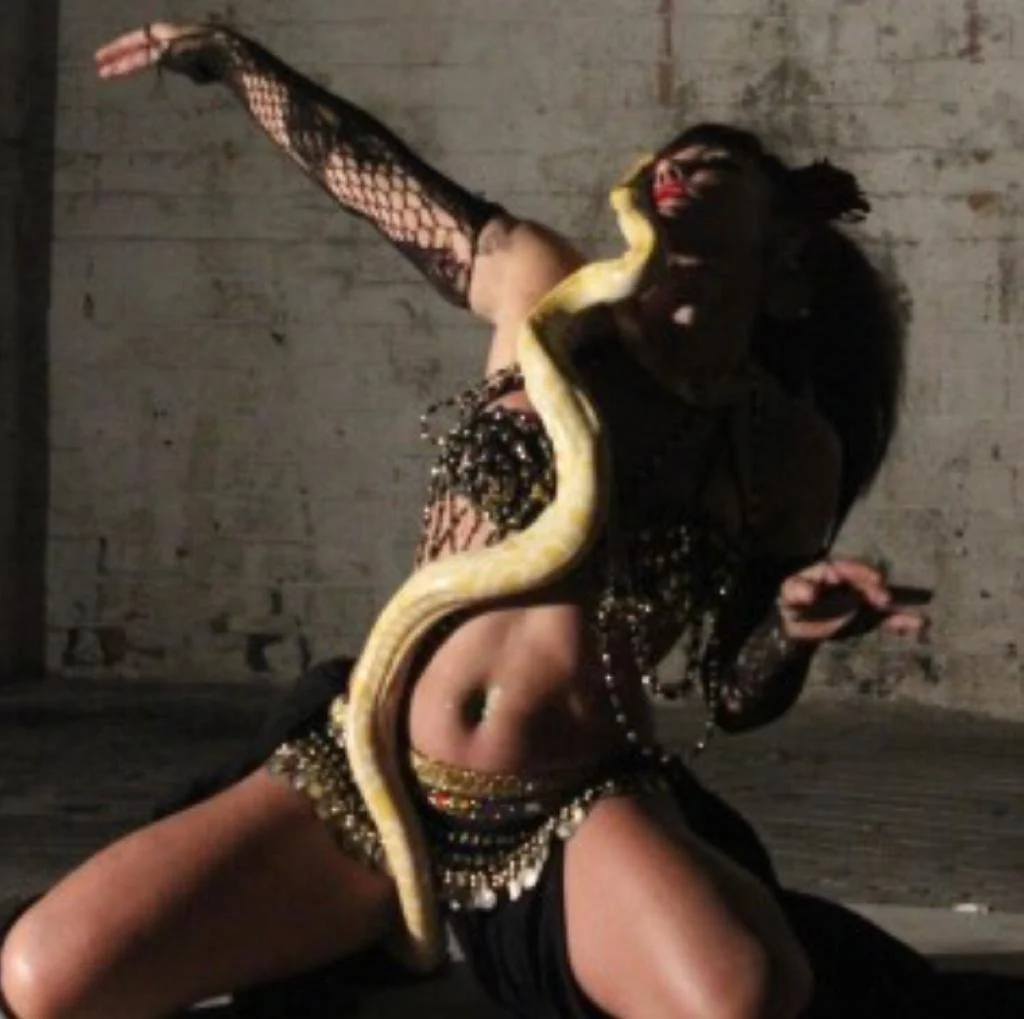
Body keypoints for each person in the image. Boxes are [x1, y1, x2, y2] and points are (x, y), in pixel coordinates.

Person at [0, 19, 944, 1019]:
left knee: (740, 997)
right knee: (47, 978)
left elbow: (733, 690)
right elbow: (372, 178)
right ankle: (363, 927)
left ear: (785, 243)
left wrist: (791, 630)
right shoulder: (546, 301)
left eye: (716, 164)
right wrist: (236, 63)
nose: (676, 169)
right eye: (667, 158)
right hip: (372, 769)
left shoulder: (785, 448)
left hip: (562, 800)